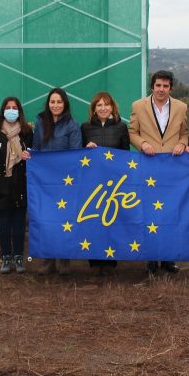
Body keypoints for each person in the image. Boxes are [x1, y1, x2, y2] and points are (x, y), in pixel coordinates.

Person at [129, 70, 189, 274]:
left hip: (173, 168)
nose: (161, 89)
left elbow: (184, 133)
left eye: (165, 86)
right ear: (152, 86)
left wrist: (182, 144)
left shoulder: (181, 107)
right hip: (148, 166)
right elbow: (132, 133)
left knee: (170, 212)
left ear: (170, 88)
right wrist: (143, 143)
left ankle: (168, 258)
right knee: (148, 212)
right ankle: (151, 257)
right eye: (158, 85)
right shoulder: (138, 106)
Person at [32, 87, 82, 276]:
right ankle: (47, 259)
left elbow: (75, 153)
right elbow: (36, 148)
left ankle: (64, 259)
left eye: (59, 102)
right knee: (46, 219)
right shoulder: (40, 123)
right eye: (52, 102)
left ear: (65, 104)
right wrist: (31, 155)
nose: (55, 105)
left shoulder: (72, 125)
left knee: (65, 219)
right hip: (44, 182)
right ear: (48, 104)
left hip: (65, 183)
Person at [80, 91, 130, 274]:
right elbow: (79, 155)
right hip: (93, 184)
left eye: (106, 105)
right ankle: (94, 261)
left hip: (114, 184)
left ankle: (110, 261)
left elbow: (125, 154)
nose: (103, 108)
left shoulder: (121, 127)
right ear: (93, 109)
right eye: (99, 105)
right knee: (93, 220)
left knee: (111, 219)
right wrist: (86, 149)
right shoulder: (85, 128)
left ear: (112, 107)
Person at [0, 97, 33, 274]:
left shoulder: (27, 131)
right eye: (8, 107)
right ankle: (5, 256)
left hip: (20, 182)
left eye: (14, 107)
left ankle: (19, 257)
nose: (11, 110)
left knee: (19, 222)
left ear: (19, 111)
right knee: (4, 222)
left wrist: (30, 154)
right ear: (3, 110)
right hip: (1, 182)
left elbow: (34, 152)